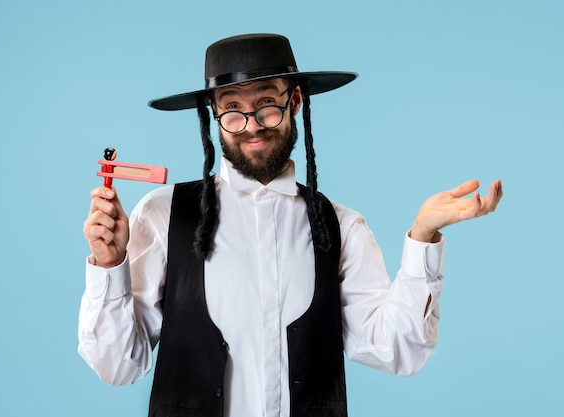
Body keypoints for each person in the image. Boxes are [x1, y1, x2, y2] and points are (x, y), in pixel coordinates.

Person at [79, 33, 503, 417]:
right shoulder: (164, 214)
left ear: (295, 101)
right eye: (232, 110)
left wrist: (422, 238)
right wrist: (110, 268)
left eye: (266, 104)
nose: (252, 126)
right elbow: (118, 367)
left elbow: (398, 351)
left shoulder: (340, 226)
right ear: (214, 115)